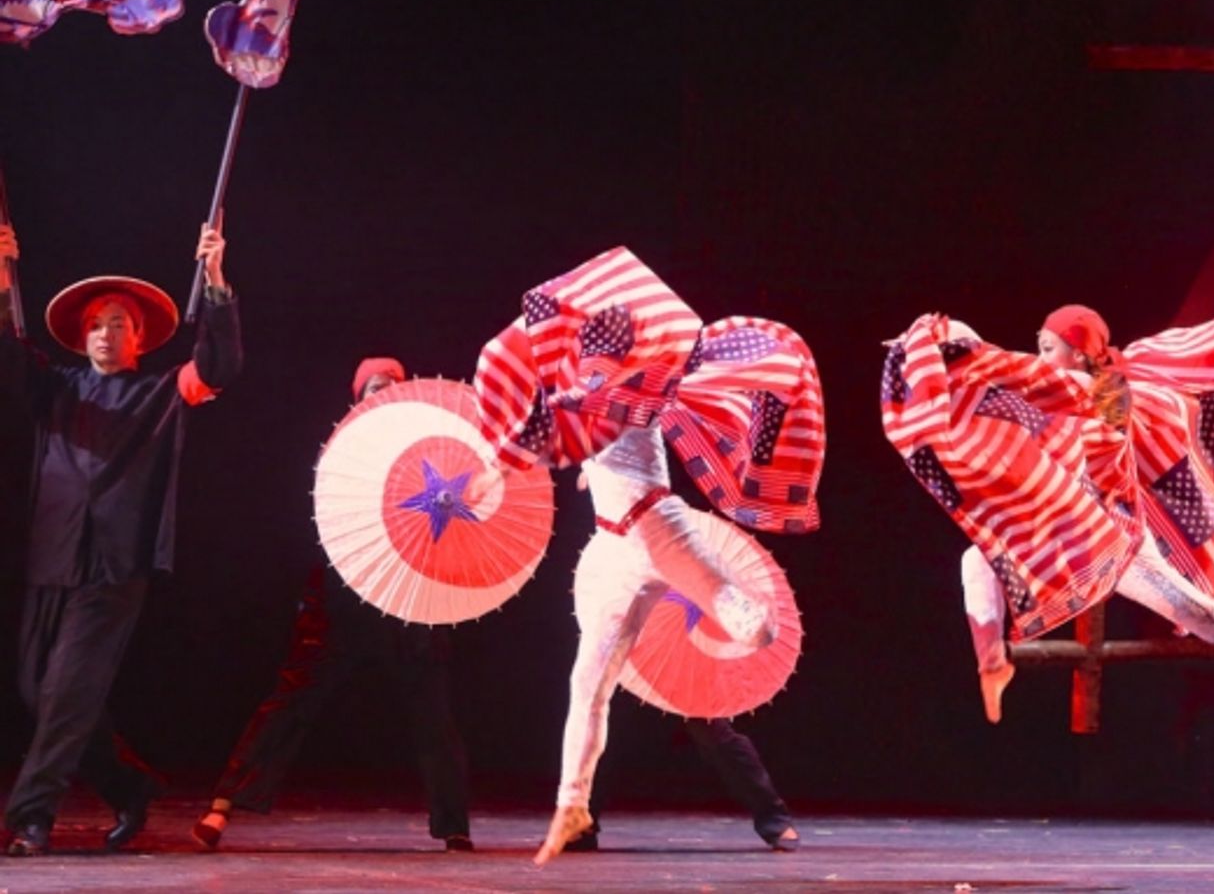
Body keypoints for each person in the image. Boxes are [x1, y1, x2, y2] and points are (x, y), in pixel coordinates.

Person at [883, 305, 1214, 725]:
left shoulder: (1087, 387)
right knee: (978, 559)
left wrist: (942, 344)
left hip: (1113, 535)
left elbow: (1016, 372)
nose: (1041, 356)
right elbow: (1009, 382)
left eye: (1048, 348)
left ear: (1079, 354)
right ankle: (992, 663)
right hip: (1073, 516)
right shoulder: (1058, 393)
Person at [0, 220, 242, 857]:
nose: (105, 333)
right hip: (53, 558)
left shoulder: (161, 391)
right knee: (38, 691)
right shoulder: (56, 388)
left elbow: (218, 365)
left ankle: (29, 818)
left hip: (115, 565)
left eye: (118, 323)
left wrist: (215, 285)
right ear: (83, 338)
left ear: (138, 338)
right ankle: (130, 787)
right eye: (97, 324)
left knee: (65, 693)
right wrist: (1, 281)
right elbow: (6, 353)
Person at [191, 357, 474, 853]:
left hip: (409, 600)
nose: (382, 393)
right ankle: (223, 806)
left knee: (434, 715)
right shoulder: (341, 452)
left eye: (391, 387)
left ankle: (454, 824)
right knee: (291, 701)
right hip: (344, 596)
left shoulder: (433, 455)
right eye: (373, 387)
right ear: (358, 396)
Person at [533, 423, 783, 865]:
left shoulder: (630, 388)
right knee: (587, 684)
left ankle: (752, 597)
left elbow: (569, 434)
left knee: (756, 631)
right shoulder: (590, 389)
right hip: (615, 545)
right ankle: (572, 804)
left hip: (660, 526)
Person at [565, 716, 799, 854]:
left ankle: (773, 819)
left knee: (714, 732)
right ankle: (582, 823)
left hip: (685, 651)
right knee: (599, 730)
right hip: (630, 648)